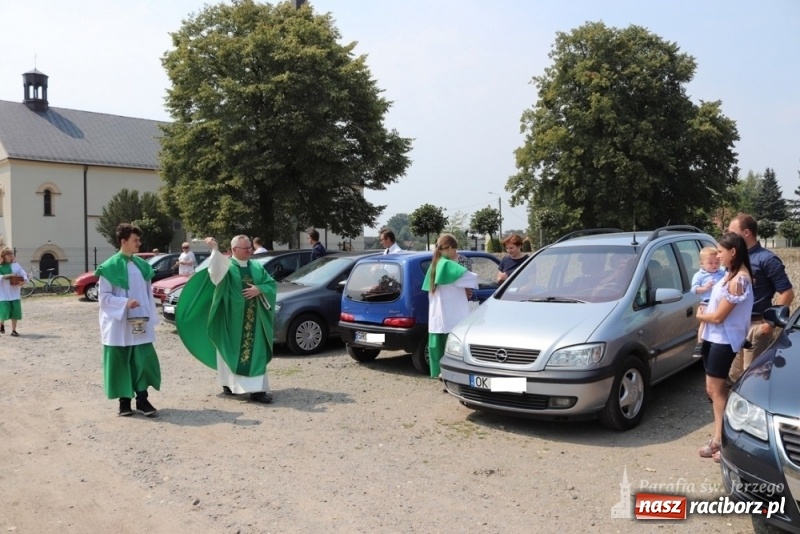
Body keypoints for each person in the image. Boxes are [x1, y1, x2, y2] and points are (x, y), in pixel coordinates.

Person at [176, 235, 277, 403]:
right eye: (245, 249)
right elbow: (214, 273)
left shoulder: (257, 267)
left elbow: (271, 284)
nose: (249, 251)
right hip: (233, 320)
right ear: (234, 250)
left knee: (255, 352)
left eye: (250, 248)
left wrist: (259, 289)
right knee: (230, 352)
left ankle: (257, 391)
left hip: (255, 321)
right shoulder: (227, 267)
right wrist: (214, 250)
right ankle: (229, 385)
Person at [695, 232, 753, 463]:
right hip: (714, 337)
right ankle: (722, 438)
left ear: (733, 252)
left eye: (720, 252)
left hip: (724, 339)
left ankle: (724, 441)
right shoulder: (730, 274)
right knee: (712, 390)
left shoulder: (740, 280)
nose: (717, 256)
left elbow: (719, 317)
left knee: (717, 391)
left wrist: (702, 316)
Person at [95, 224, 161, 417]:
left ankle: (142, 399)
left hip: (139, 321)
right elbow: (104, 298)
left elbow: (148, 295)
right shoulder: (109, 267)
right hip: (118, 324)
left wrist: (149, 316)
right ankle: (124, 402)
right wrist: (124, 302)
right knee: (120, 361)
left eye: (139, 240)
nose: (139, 243)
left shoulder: (142, 266)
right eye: (135, 240)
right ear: (123, 241)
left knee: (142, 360)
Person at [727, 213, 794, 381]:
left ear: (747, 233)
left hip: (755, 325)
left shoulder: (767, 259)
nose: (728, 237)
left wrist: (769, 324)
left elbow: (787, 293)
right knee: (734, 374)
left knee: (752, 377)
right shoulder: (735, 258)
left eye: (732, 232)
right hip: (736, 326)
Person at [422, 233, 478, 379]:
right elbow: (472, 279)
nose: (456, 253)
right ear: (450, 248)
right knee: (453, 348)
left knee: (437, 346)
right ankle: (452, 376)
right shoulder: (447, 264)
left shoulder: (435, 264)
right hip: (452, 314)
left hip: (437, 317)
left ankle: (439, 373)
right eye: (455, 250)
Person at [691, 246, 726, 357]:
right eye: (710, 263)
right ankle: (700, 344)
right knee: (704, 322)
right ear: (702, 264)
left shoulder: (723, 272)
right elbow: (694, 289)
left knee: (728, 319)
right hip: (707, 301)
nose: (714, 265)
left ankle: (739, 338)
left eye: (717, 262)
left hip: (721, 301)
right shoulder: (699, 275)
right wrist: (705, 288)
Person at [0, 247, 28, 336]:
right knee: (4, 312)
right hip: (3, 293)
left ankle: (14, 330)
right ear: (3, 256)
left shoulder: (16, 265)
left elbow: (23, 274)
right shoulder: (0, 266)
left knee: (15, 312)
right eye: (8, 254)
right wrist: (8, 275)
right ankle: (1, 324)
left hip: (14, 292)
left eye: (11, 254)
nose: (11, 255)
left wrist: (24, 281)